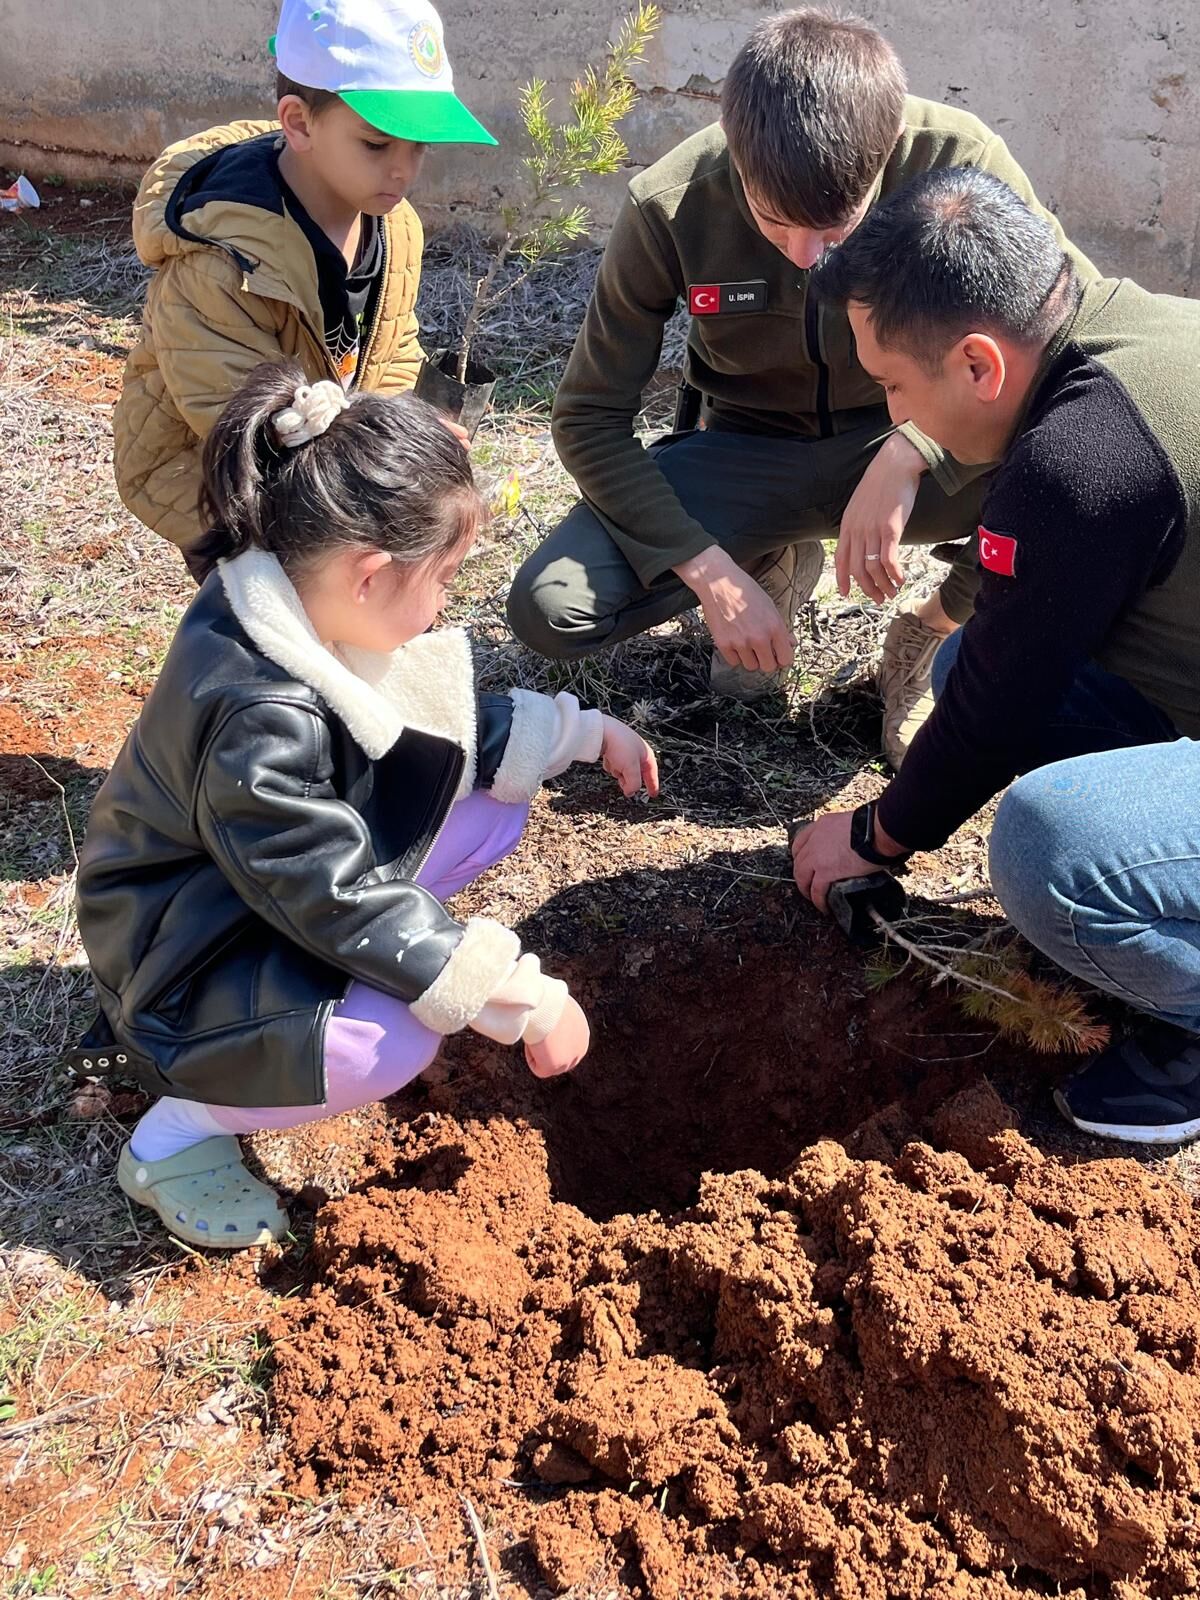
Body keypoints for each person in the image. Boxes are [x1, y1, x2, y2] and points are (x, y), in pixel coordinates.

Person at [75, 364, 658, 1249]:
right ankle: (177, 1132)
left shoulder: (288, 599)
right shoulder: (258, 717)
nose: (445, 606)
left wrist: (575, 733)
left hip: (243, 896)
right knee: (389, 1039)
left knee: (494, 806)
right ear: (370, 574)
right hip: (180, 963)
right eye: (444, 579)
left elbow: (414, 724)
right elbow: (331, 895)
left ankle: (330, 987)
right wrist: (507, 989)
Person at [505, 7, 1098, 766]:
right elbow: (588, 417)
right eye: (775, 222)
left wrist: (913, 450)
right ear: (737, 158)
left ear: (885, 159)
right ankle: (767, 559)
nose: (808, 257)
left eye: (838, 225)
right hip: (750, 448)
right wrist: (707, 570)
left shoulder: (959, 160)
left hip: (923, 444)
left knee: (1082, 486)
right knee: (550, 609)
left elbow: (1071, 326)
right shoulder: (671, 201)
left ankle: (930, 631)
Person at [790, 166, 1200, 1143]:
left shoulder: (1082, 455)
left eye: (894, 385)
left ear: (978, 364)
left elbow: (999, 710)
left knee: (1045, 852)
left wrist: (876, 836)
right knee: (957, 660)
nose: (895, 419)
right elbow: (1008, 653)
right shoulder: (1131, 329)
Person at [113, 0, 495, 568]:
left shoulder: (396, 226)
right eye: (377, 143)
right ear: (298, 121)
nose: (403, 171)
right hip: (224, 475)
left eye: (420, 146)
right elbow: (240, 425)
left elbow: (390, 346)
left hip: (331, 456)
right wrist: (377, 456)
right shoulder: (223, 262)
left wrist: (413, 429)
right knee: (264, 604)